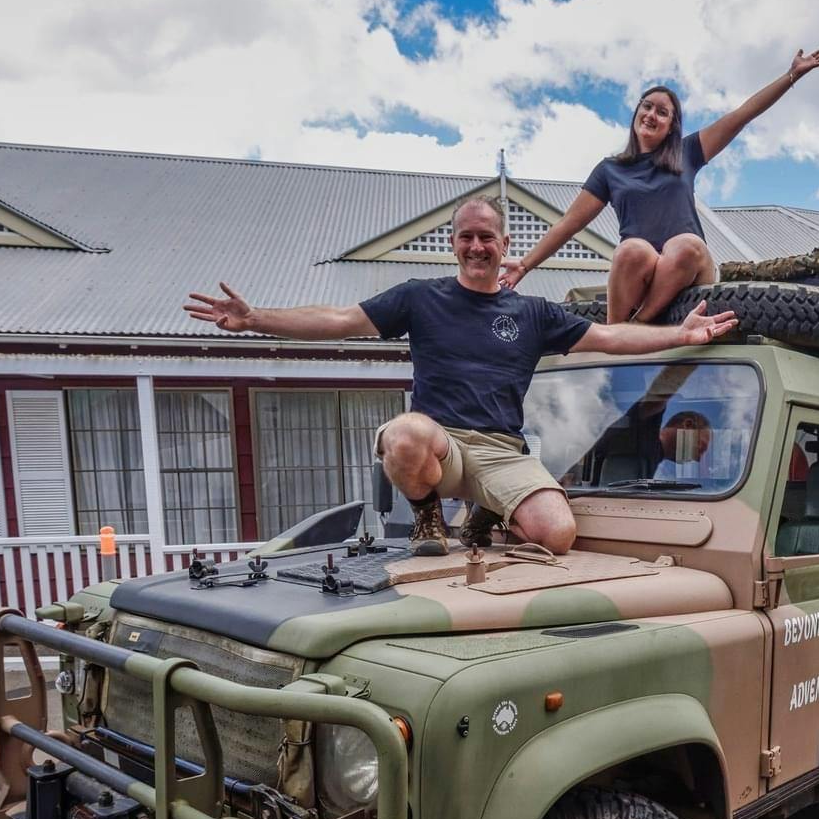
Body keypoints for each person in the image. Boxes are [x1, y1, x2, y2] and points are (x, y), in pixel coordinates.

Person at [184, 196, 736, 557]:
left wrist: (679, 335)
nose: (477, 246)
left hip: (502, 450)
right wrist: (257, 319)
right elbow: (339, 319)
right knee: (404, 434)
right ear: (455, 243)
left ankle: (485, 513)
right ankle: (429, 518)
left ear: (504, 246)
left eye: (487, 238)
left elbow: (613, 337)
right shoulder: (420, 298)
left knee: (559, 534)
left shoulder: (532, 314)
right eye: (467, 237)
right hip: (442, 445)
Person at [500, 47, 819, 323]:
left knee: (685, 244)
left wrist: (791, 76)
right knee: (631, 249)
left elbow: (742, 114)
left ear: (671, 126)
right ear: (636, 113)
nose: (651, 115)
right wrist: (525, 265)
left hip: (690, 271)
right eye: (647, 107)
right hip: (640, 275)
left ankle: (636, 328)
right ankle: (617, 331)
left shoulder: (686, 153)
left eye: (662, 112)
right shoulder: (610, 170)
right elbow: (570, 223)